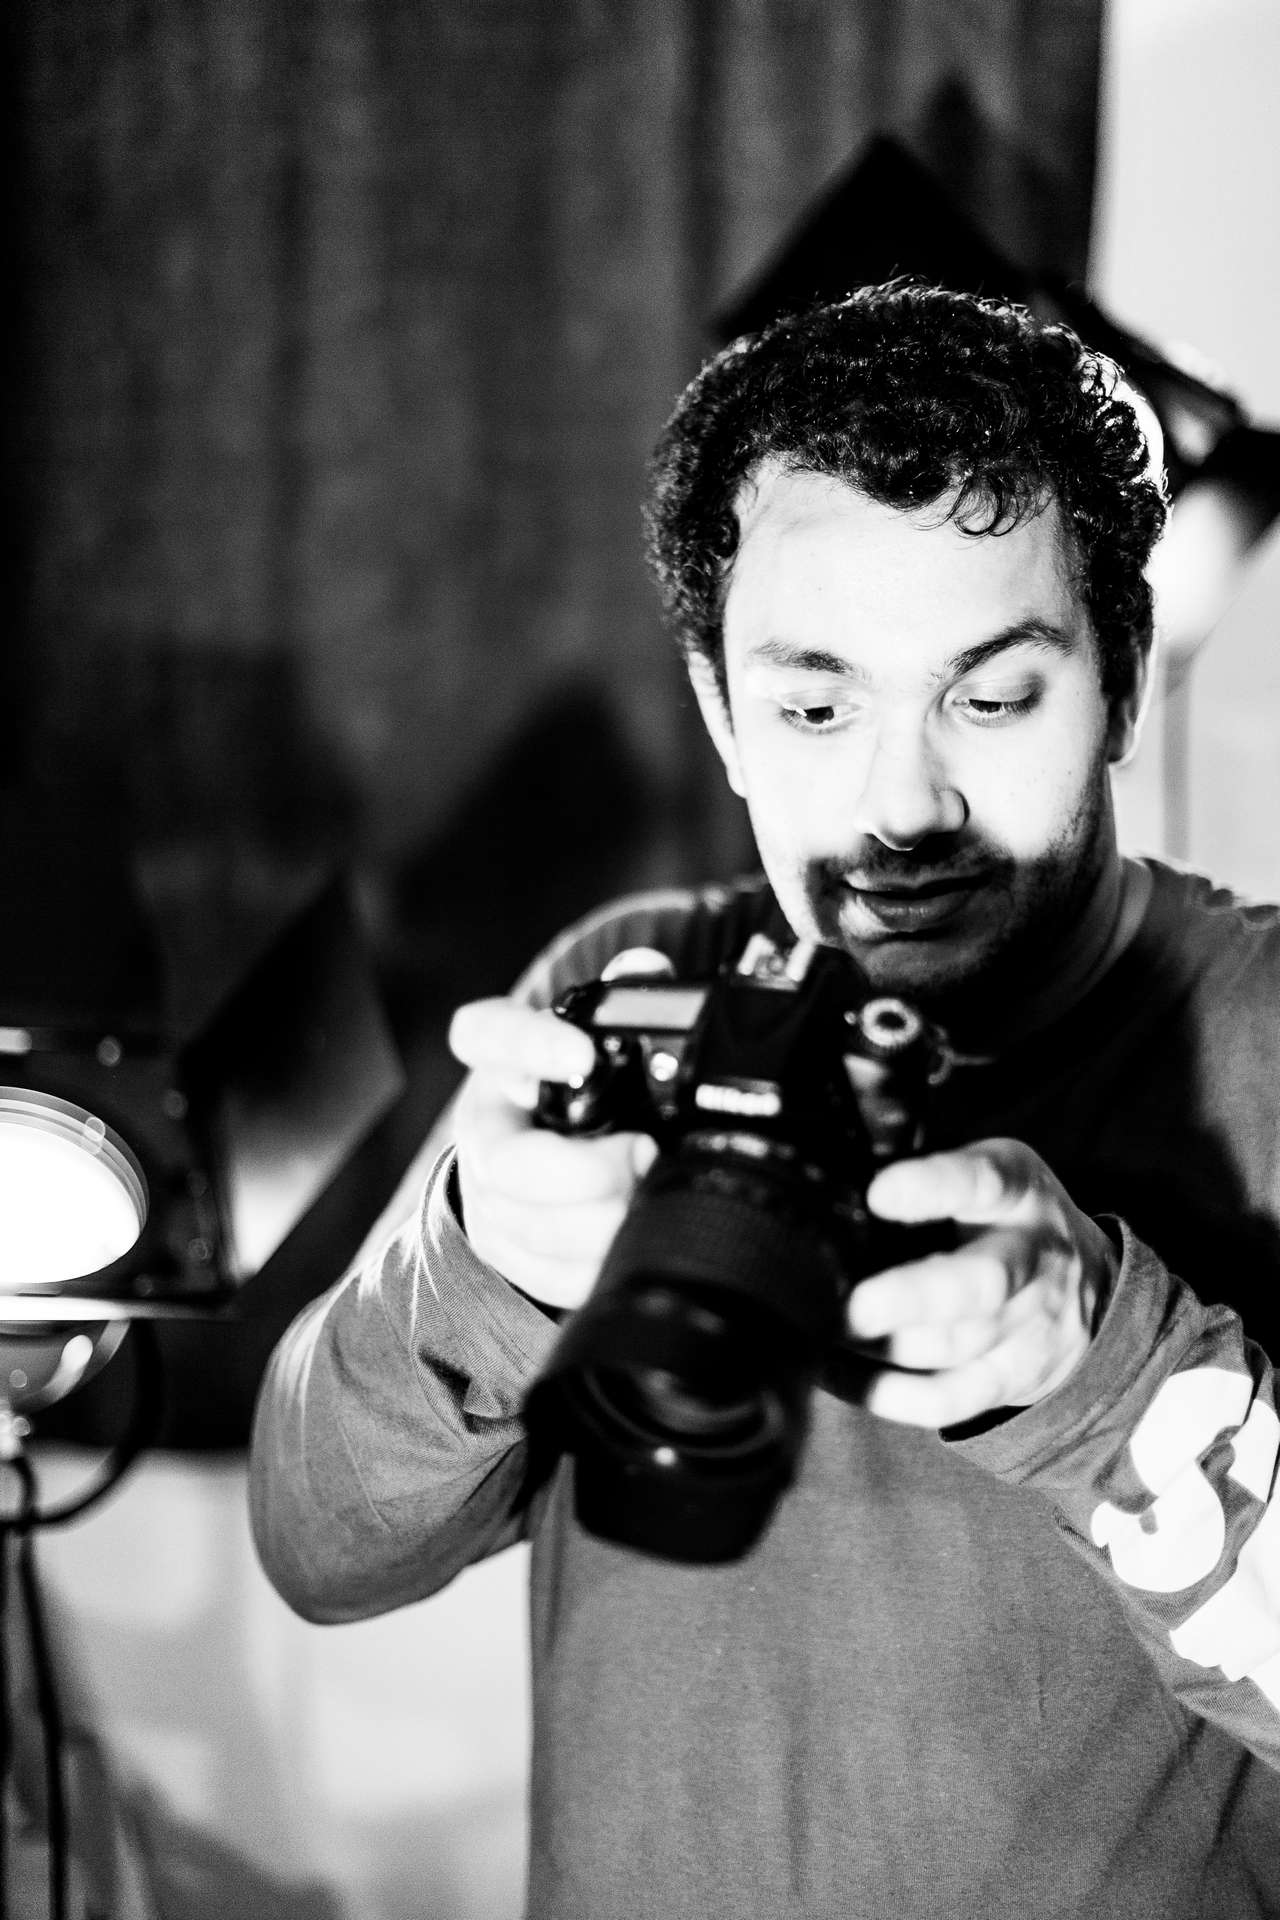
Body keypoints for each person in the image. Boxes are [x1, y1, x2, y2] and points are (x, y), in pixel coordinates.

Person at [249, 281, 1280, 1918]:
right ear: (722, 714)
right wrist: (484, 1266)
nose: (902, 801)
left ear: (1126, 681)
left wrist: (1105, 1370)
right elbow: (320, 1548)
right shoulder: (630, 985)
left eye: (991, 697)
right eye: (814, 707)